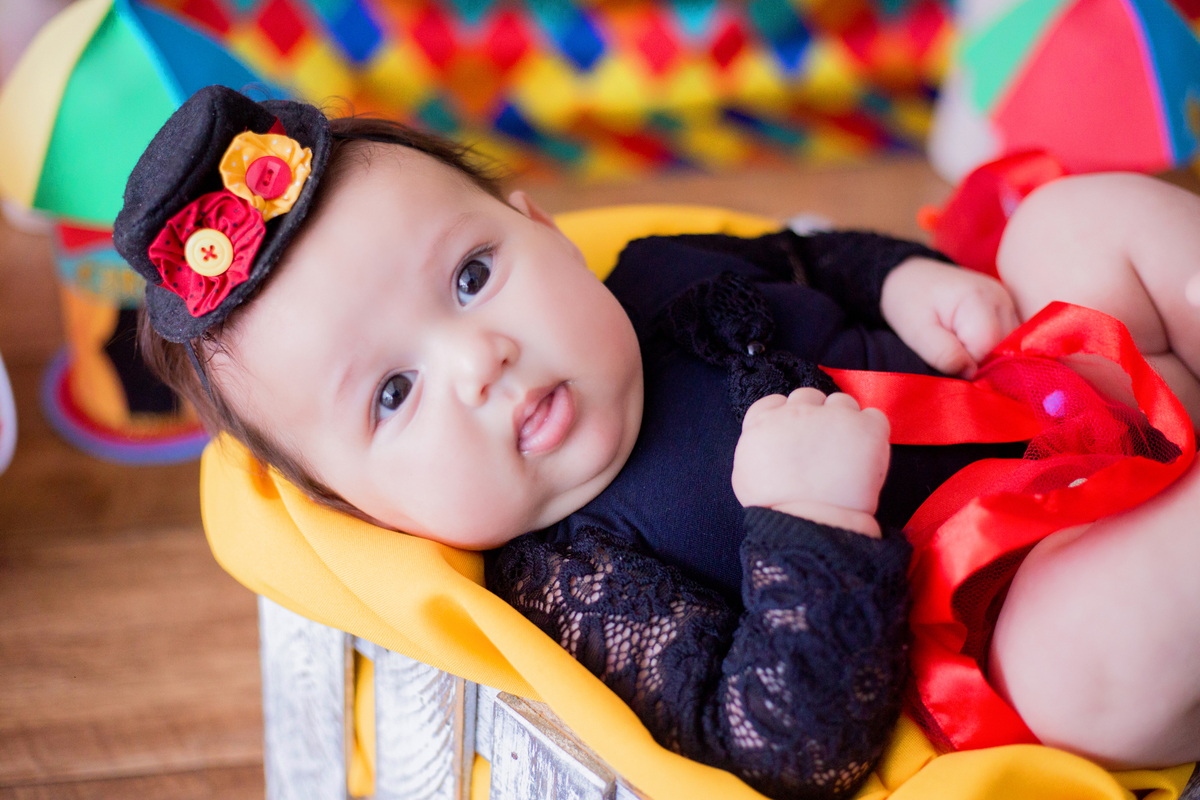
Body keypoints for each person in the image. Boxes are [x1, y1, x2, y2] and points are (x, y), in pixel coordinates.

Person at [114, 87, 1200, 799]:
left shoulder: (655, 270)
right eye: (395, 392)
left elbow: (808, 257)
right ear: (371, 509)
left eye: (472, 275)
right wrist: (807, 525)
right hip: (998, 600)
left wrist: (906, 282)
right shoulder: (579, 577)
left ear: (540, 228)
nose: (480, 357)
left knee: (1065, 229)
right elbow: (783, 741)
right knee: (1079, 652)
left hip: (1043, 395)